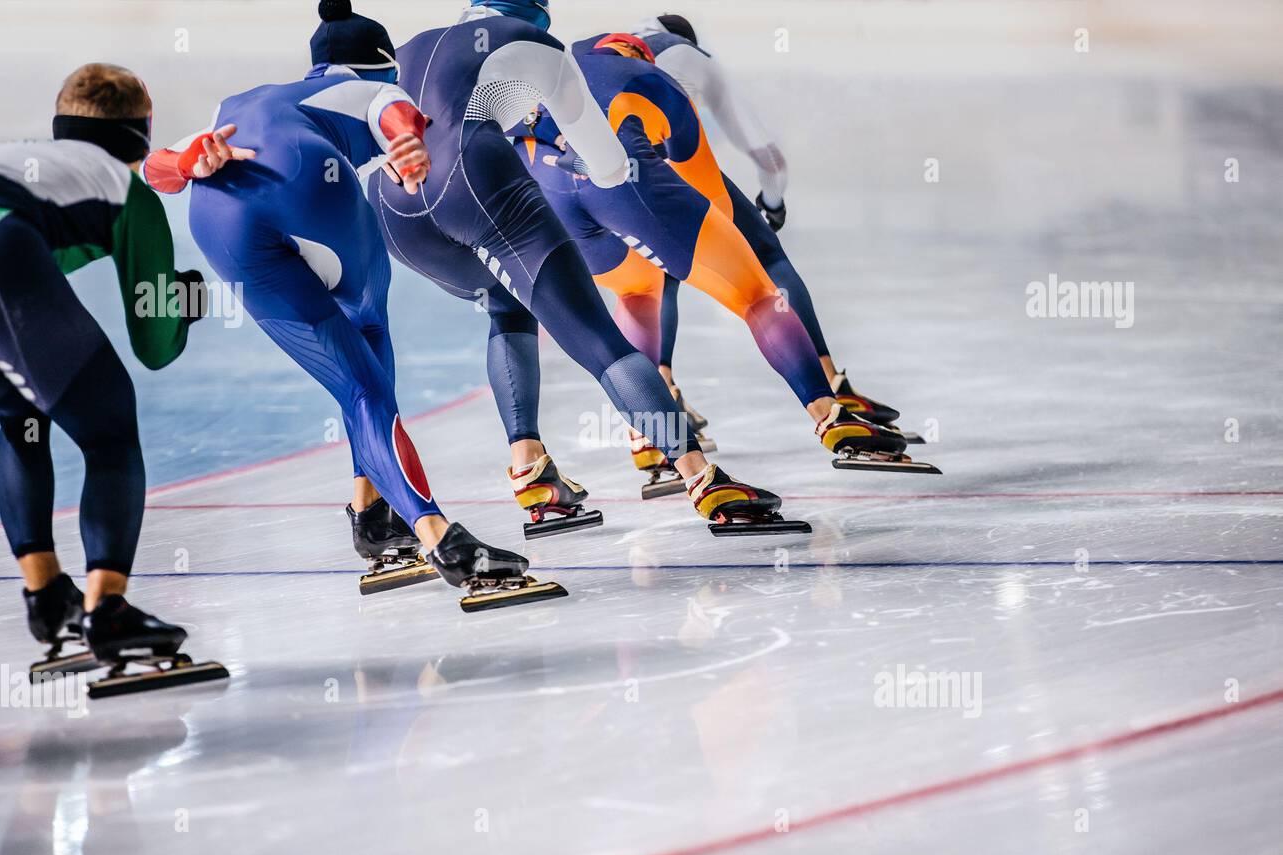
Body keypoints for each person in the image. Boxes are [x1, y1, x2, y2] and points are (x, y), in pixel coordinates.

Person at [147, 0, 570, 606]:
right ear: (381, 63)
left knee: (351, 382)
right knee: (369, 350)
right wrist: (409, 147)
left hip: (218, 215)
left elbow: (157, 169)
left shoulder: (240, 102)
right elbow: (395, 113)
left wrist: (191, 161)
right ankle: (439, 537)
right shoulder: (366, 88)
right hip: (308, 186)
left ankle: (372, 517)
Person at [368, 1, 810, 536]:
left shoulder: (411, 46)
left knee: (507, 306)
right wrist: (592, 164)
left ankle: (531, 469)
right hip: (471, 180)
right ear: (538, 17)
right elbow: (607, 167)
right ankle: (703, 479)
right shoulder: (540, 46)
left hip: (393, 208)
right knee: (604, 343)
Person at [510, 33, 936, 488]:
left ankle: (651, 437)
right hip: (622, 179)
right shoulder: (655, 79)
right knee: (756, 293)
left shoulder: (557, 68)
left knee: (637, 293)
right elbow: (711, 199)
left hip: (546, 190)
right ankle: (832, 418)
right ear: (637, 51)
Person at [0, 62, 228, 694]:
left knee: (22, 418)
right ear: (143, 133)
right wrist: (183, 306)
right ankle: (108, 612)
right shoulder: (128, 193)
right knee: (110, 431)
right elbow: (154, 346)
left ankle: (46, 596)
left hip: (1, 248)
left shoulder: (31, 164)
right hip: (0, 253)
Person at [632, 13, 905, 432]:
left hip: (593, 180)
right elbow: (770, 159)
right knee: (766, 256)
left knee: (652, 279)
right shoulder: (694, 57)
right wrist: (772, 204)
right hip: (667, 170)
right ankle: (830, 383)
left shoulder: (602, 51)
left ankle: (656, 410)